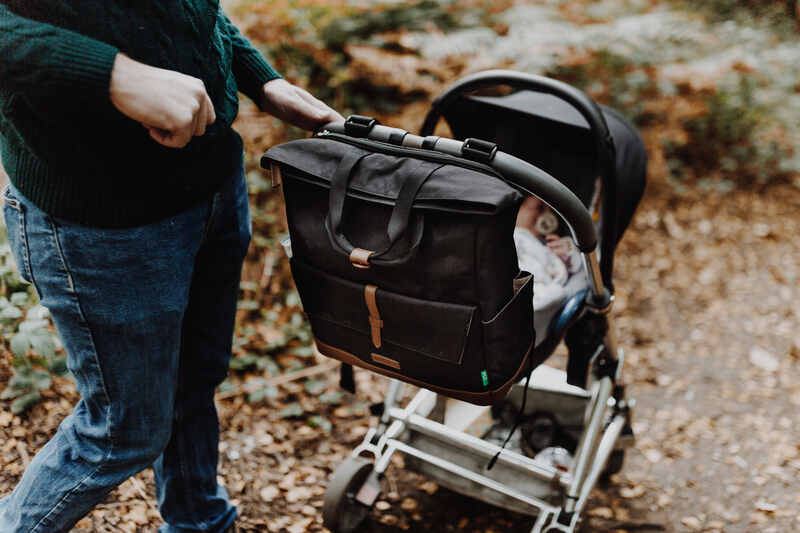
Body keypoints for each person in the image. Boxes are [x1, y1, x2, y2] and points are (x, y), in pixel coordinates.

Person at [0, 2, 342, 532]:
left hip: (212, 190)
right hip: (102, 226)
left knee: (193, 380)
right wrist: (113, 74)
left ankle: (198, 522)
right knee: (119, 434)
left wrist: (261, 79)